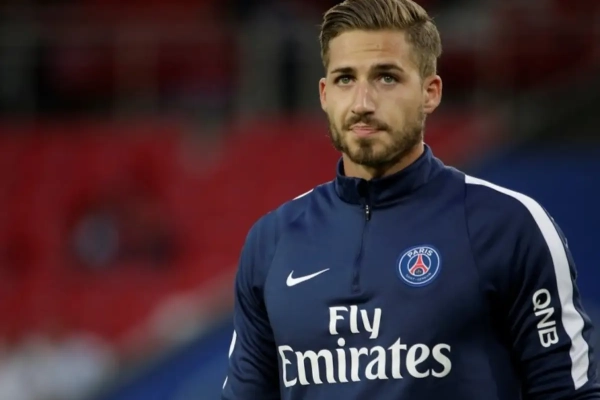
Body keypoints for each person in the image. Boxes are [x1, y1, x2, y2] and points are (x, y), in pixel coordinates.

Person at [221, 0, 600, 398]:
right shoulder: (273, 241)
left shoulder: (508, 226)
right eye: (345, 79)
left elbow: (568, 393)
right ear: (324, 94)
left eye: (386, 77)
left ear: (430, 92)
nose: (362, 103)